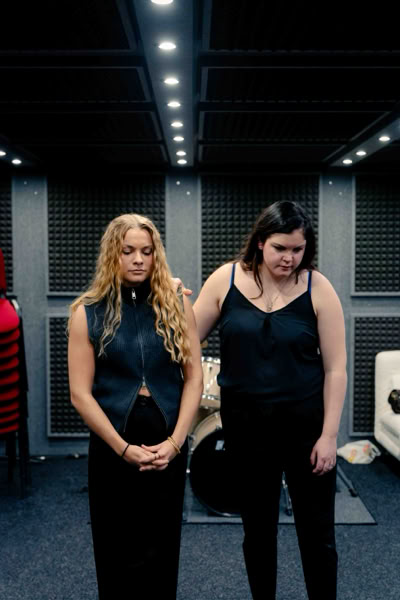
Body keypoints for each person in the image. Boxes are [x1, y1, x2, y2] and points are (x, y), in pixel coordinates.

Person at [192, 200, 347, 600]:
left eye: (298, 249)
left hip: (306, 430)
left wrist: (329, 436)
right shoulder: (225, 279)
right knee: (258, 533)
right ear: (260, 242)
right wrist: (170, 301)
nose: (289, 258)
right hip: (246, 431)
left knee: (317, 535)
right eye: (280, 248)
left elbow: (335, 370)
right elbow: (186, 338)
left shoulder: (318, 287)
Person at [67, 213, 203, 600]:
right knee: (116, 548)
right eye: (127, 251)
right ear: (113, 254)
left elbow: (194, 378)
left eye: (146, 251)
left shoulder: (176, 304)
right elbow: (80, 394)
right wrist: (123, 449)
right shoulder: (87, 312)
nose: (138, 259)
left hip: (167, 442)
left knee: (162, 547)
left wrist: (176, 442)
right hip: (114, 444)